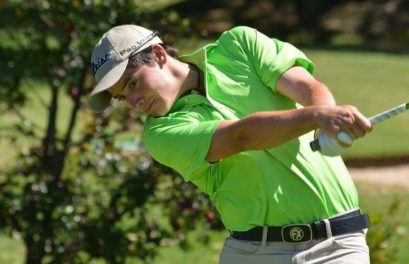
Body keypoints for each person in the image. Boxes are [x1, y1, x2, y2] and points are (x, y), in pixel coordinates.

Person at [88, 24, 373, 264]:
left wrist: (326, 120)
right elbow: (241, 136)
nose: (134, 102)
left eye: (133, 83)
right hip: (255, 253)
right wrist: (319, 117)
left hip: (339, 247)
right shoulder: (161, 133)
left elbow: (306, 87)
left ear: (159, 54)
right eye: (122, 97)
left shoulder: (240, 45)